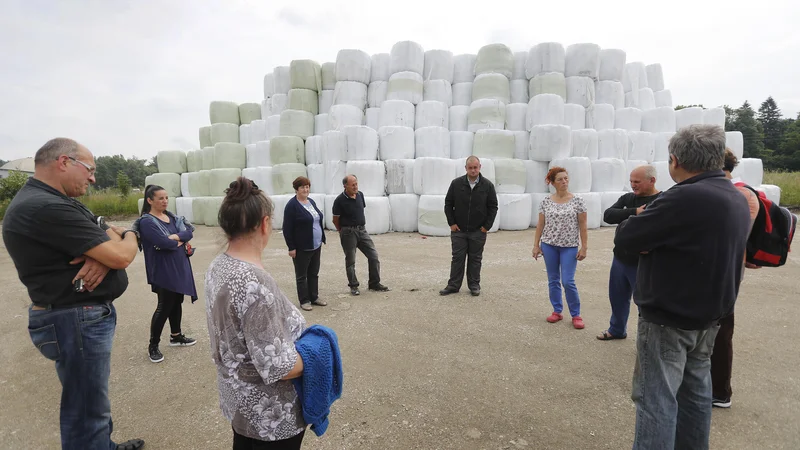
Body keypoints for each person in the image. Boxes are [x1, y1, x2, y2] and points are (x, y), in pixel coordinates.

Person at [614, 125, 752, 450]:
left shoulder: (682, 197)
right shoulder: (734, 195)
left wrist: (650, 237)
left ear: (674, 161)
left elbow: (627, 236)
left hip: (669, 318)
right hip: (709, 318)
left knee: (656, 400)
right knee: (695, 396)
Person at [2, 138, 144, 450]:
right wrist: (131, 236)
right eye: (90, 170)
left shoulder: (59, 200)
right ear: (64, 162)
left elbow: (109, 233)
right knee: (85, 412)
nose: (93, 178)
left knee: (93, 401)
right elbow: (121, 254)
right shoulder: (44, 206)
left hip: (80, 317)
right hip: (74, 319)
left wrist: (106, 252)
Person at [205, 177, 307, 449]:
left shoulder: (219, 265)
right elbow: (278, 367)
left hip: (239, 404)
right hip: (269, 419)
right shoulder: (254, 282)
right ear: (264, 223)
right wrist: (320, 355)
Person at [710, 149, 761, 408]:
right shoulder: (746, 192)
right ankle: (717, 388)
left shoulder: (731, 195)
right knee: (720, 327)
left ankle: (719, 391)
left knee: (719, 331)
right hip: (734, 267)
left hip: (721, 269)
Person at [133, 184, 198, 364]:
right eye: (160, 198)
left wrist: (176, 238)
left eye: (166, 198)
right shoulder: (147, 221)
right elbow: (162, 243)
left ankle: (175, 336)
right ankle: (153, 345)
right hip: (162, 269)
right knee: (165, 305)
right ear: (149, 200)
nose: (165, 201)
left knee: (177, 300)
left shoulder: (171, 217)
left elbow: (189, 232)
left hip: (178, 265)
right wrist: (177, 239)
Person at [597, 165, 662, 341]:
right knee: (617, 298)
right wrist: (634, 211)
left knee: (644, 304)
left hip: (644, 262)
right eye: (631, 181)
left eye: (637, 182)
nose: (633, 185)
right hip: (620, 259)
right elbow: (609, 215)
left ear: (652, 180)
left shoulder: (662, 200)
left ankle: (648, 339)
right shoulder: (628, 198)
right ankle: (617, 330)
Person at [532, 167, 589, 329]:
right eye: (560, 180)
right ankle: (557, 310)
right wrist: (536, 245)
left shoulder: (578, 201)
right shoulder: (546, 202)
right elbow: (540, 225)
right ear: (552, 183)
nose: (564, 182)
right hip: (549, 245)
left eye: (566, 178)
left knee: (568, 281)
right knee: (553, 280)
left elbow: (583, 225)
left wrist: (584, 247)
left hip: (569, 246)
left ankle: (576, 314)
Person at [440, 155, 498, 296]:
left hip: (478, 231)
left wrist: (486, 227)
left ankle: (474, 285)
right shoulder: (456, 184)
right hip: (459, 230)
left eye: (475, 167)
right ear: (466, 168)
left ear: (480, 167)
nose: (473, 170)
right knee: (457, 258)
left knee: (475, 259)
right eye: (470, 168)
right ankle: (453, 285)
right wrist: (452, 223)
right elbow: (448, 204)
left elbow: (493, 207)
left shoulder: (487, 186)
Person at [331, 174, 390, 296]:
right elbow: (335, 219)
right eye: (352, 185)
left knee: (373, 256)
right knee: (351, 261)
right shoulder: (339, 201)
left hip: (362, 230)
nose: (355, 187)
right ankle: (353, 286)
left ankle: (374, 283)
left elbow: (360, 209)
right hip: (348, 232)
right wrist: (341, 231)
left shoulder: (360, 195)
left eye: (356, 184)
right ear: (345, 186)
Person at [283, 176, 327, 311]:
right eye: (302, 187)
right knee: (302, 275)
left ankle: (314, 297)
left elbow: (317, 220)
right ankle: (304, 300)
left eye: (307, 186)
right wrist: (291, 247)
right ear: (296, 189)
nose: (305, 189)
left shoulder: (311, 202)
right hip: (302, 247)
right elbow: (287, 228)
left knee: (314, 272)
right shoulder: (292, 205)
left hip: (316, 244)